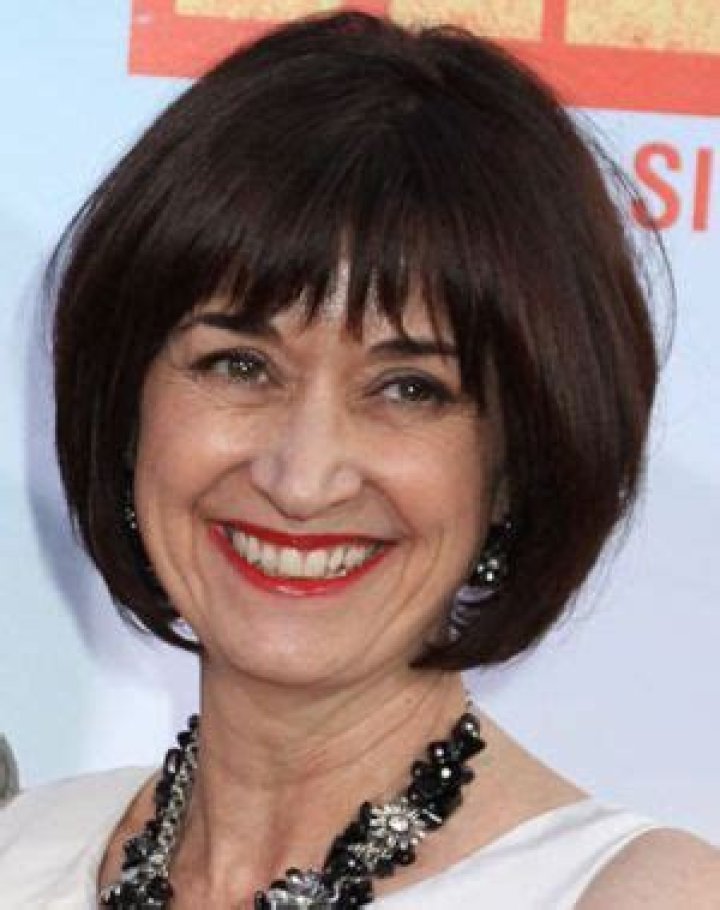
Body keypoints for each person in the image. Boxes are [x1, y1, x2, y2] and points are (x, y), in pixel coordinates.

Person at [0, 11, 717, 909]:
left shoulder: (635, 895)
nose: (302, 479)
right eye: (239, 365)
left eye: (409, 389)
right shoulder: (22, 852)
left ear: (516, 465)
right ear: (127, 408)